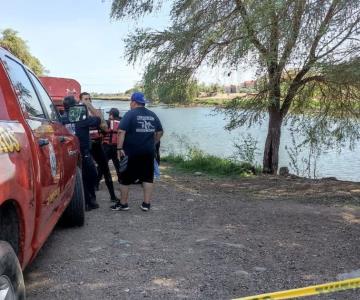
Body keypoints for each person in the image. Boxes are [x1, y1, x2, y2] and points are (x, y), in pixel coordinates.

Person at [111, 92, 163, 212]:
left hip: (131, 152)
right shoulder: (152, 114)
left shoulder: (130, 114)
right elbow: (160, 132)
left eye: (130, 102)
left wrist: (119, 148)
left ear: (134, 102)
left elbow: (121, 132)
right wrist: (153, 143)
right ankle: (146, 204)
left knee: (124, 178)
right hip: (148, 152)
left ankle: (123, 204)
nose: (130, 104)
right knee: (147, 178)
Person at [78, 92, 119, 202]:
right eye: (85, 99)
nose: (88, 101)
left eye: (89, 99)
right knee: (85, 172)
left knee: (105, 169)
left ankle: (113, 196)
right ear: (80, 100)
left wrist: (90, 107)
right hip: (84, 146)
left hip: (96, 145)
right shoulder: (77, 114)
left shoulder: (96, 114)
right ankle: (88, 198)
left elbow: (105, 128)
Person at [62, 96, 101, 211]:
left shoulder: (62, 119)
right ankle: (88, 202)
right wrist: (88, 105)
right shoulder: (81, 118)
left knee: (79, 178)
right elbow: (99, 119)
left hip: (68, 153)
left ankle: (85, 201)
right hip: (83, 152)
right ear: (75, 106)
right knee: (90, 175)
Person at [98, 108, 122, 184]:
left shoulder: (107, 123)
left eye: (109, 114)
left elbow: (101, 132)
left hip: (107, 147)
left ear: (111, 115)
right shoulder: (122, 123)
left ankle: (96, 182)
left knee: (102, 165)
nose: (108, 116)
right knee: (118, 165)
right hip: (117, 147)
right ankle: (121, 181)